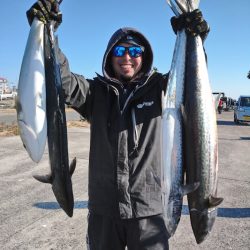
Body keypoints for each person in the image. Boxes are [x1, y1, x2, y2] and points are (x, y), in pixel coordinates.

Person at [27, 1, 209, 249]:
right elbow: (64, 81)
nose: (127, 58)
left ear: (143, 57)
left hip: (150, 211)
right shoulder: (95, 93)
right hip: (105, 211)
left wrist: (194, 38)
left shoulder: (161, 90)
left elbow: (192, 82)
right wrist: (45, 31)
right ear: (109, 55)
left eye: (134, 52)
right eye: (120, 51)